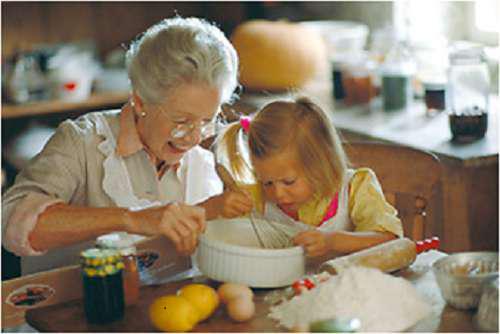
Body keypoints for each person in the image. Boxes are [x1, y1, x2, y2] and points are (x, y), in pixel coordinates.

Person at [2, 16, 253, 275]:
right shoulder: (83, 141)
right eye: (181, 121)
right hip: (74, 307)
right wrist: (130, 218)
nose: (193, 137)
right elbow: (11, 223)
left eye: (207, 120)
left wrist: (215, 211)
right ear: (140, 102)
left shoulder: (204, 158)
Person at [216, 97, 403, 258]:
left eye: (288, 182)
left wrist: (333, 241)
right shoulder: (253, 196)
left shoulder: (355, 189)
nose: (277, 194)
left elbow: (391, 240)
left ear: (322, 164)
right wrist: (219, 205)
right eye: (267, 182)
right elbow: (217, 230)